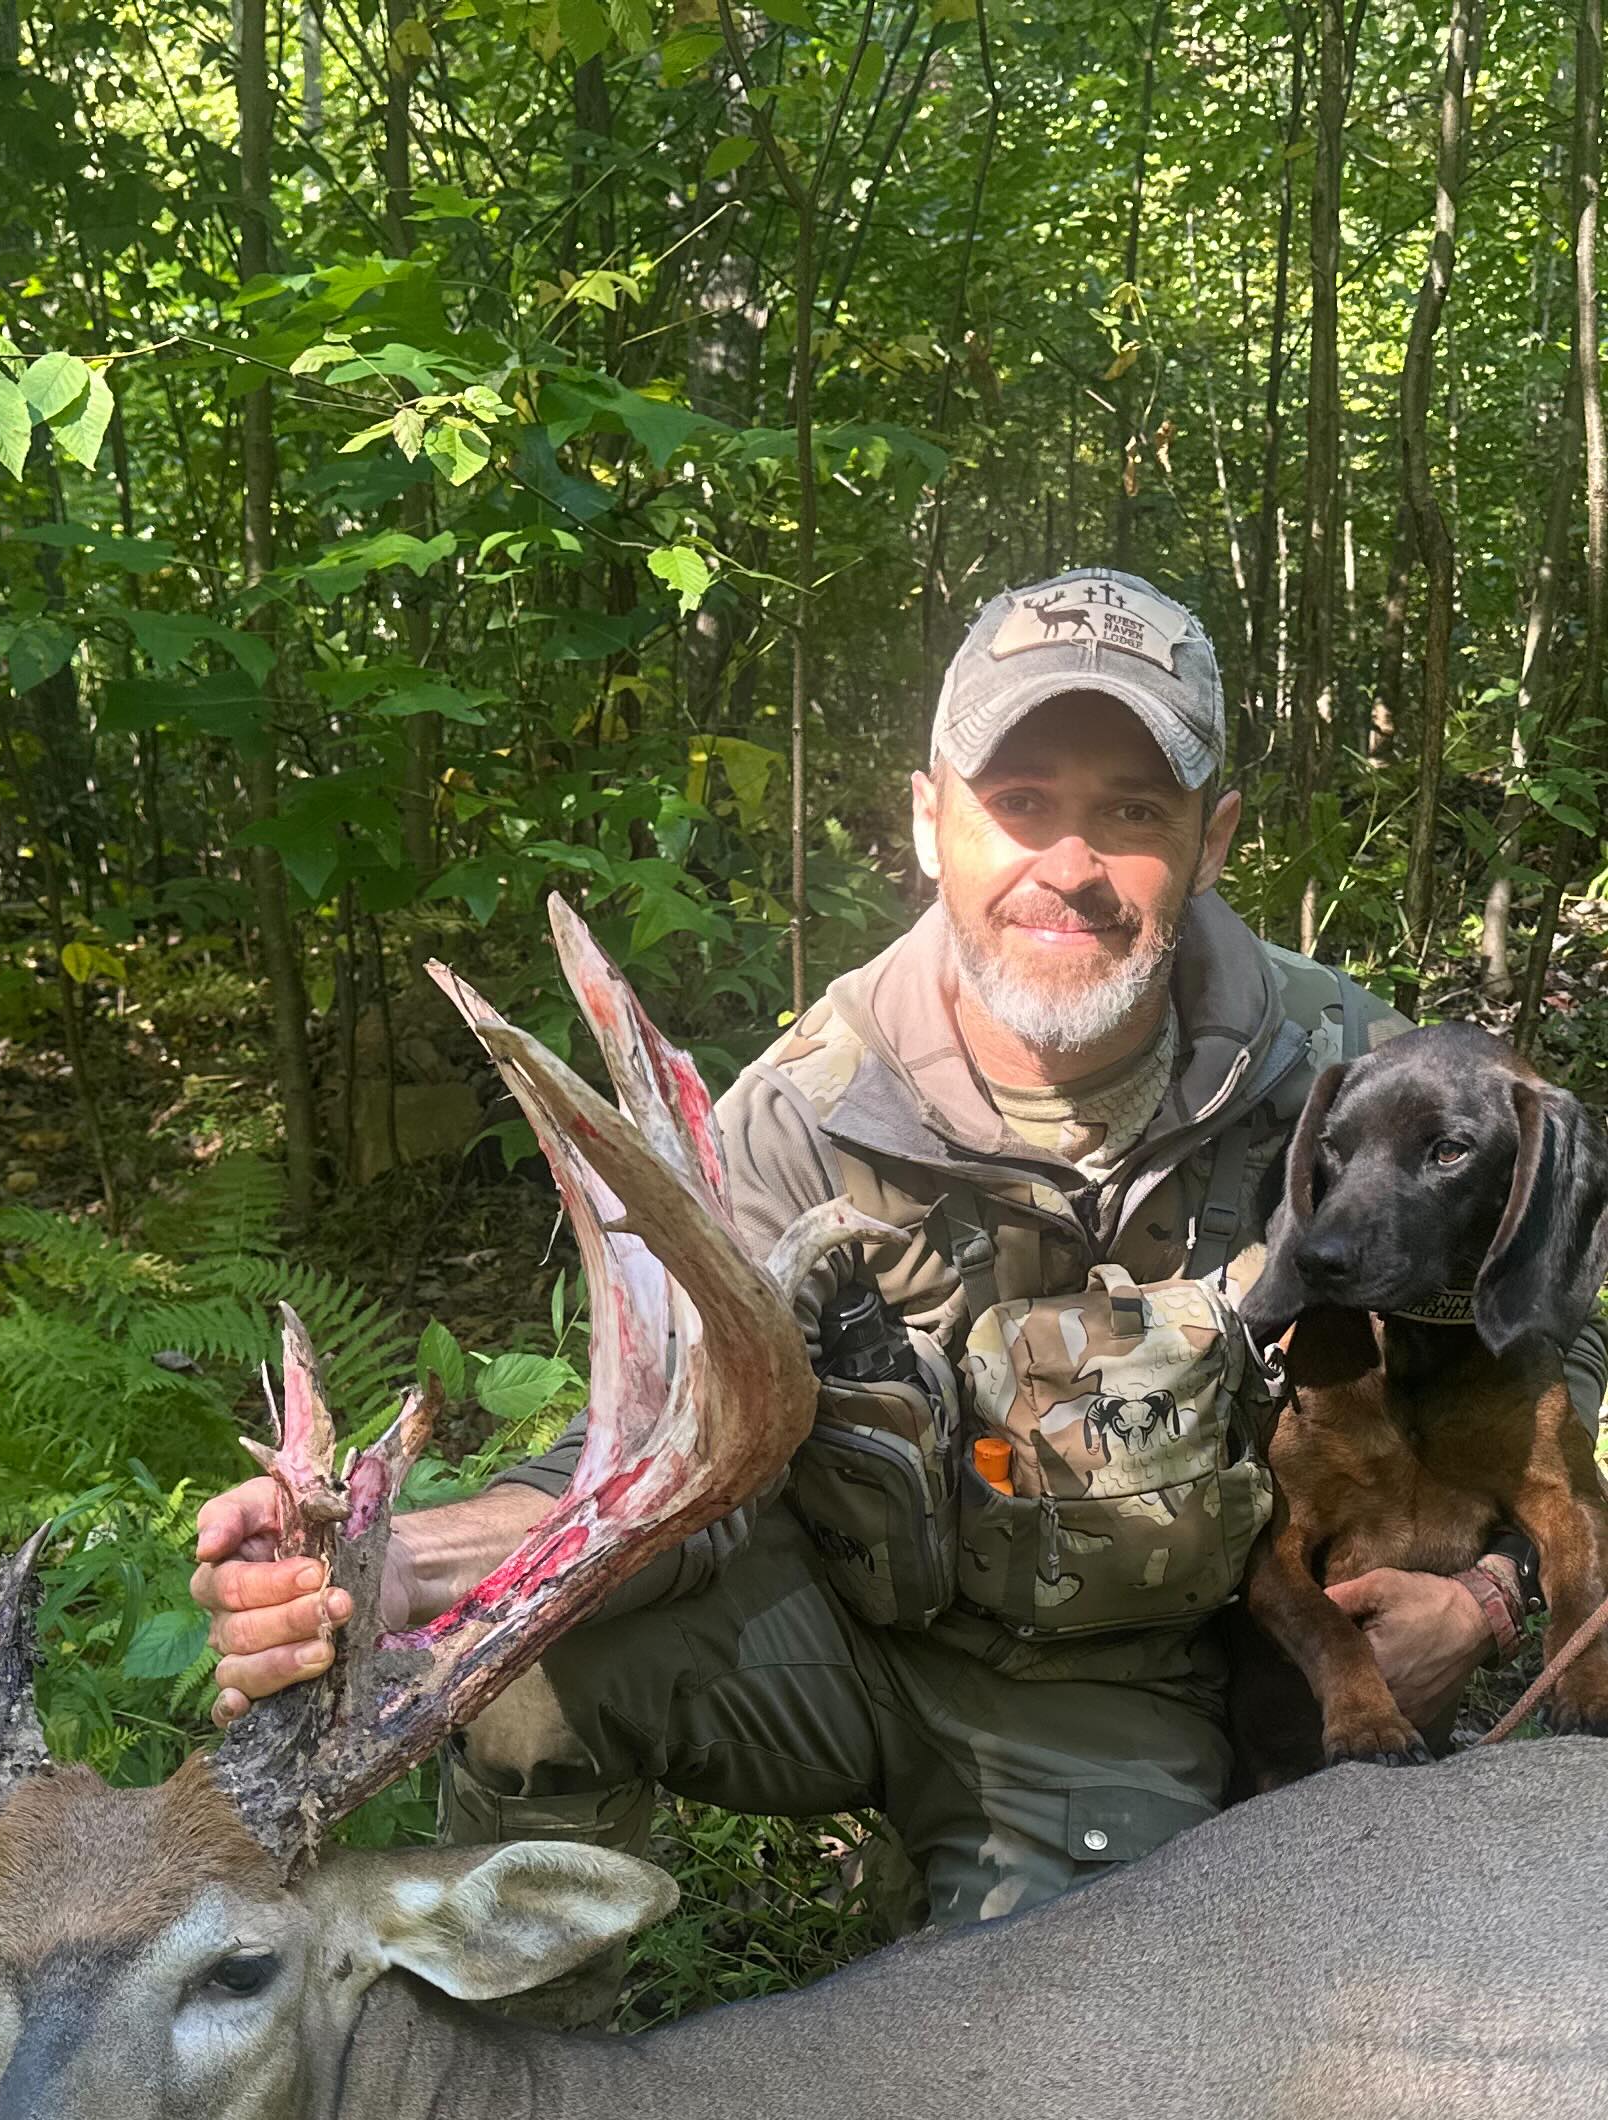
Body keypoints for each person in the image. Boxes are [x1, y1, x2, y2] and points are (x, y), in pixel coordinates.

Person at [193, 567, 1603, 1938]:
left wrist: (1483, 1598)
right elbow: (656, 1444)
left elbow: (1558, 1341)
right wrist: (407, 1563)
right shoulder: (805, 1114)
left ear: (1213, 838)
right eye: (1022, 805)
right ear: (930, 823)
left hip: (1130, 1681)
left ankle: (1015, 1881)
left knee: (1072, 2073)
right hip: (829, 1629)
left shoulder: (1347, 1076)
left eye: (1130, 812)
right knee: (531, 1676)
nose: (1071, 866)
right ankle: (522, 2118)